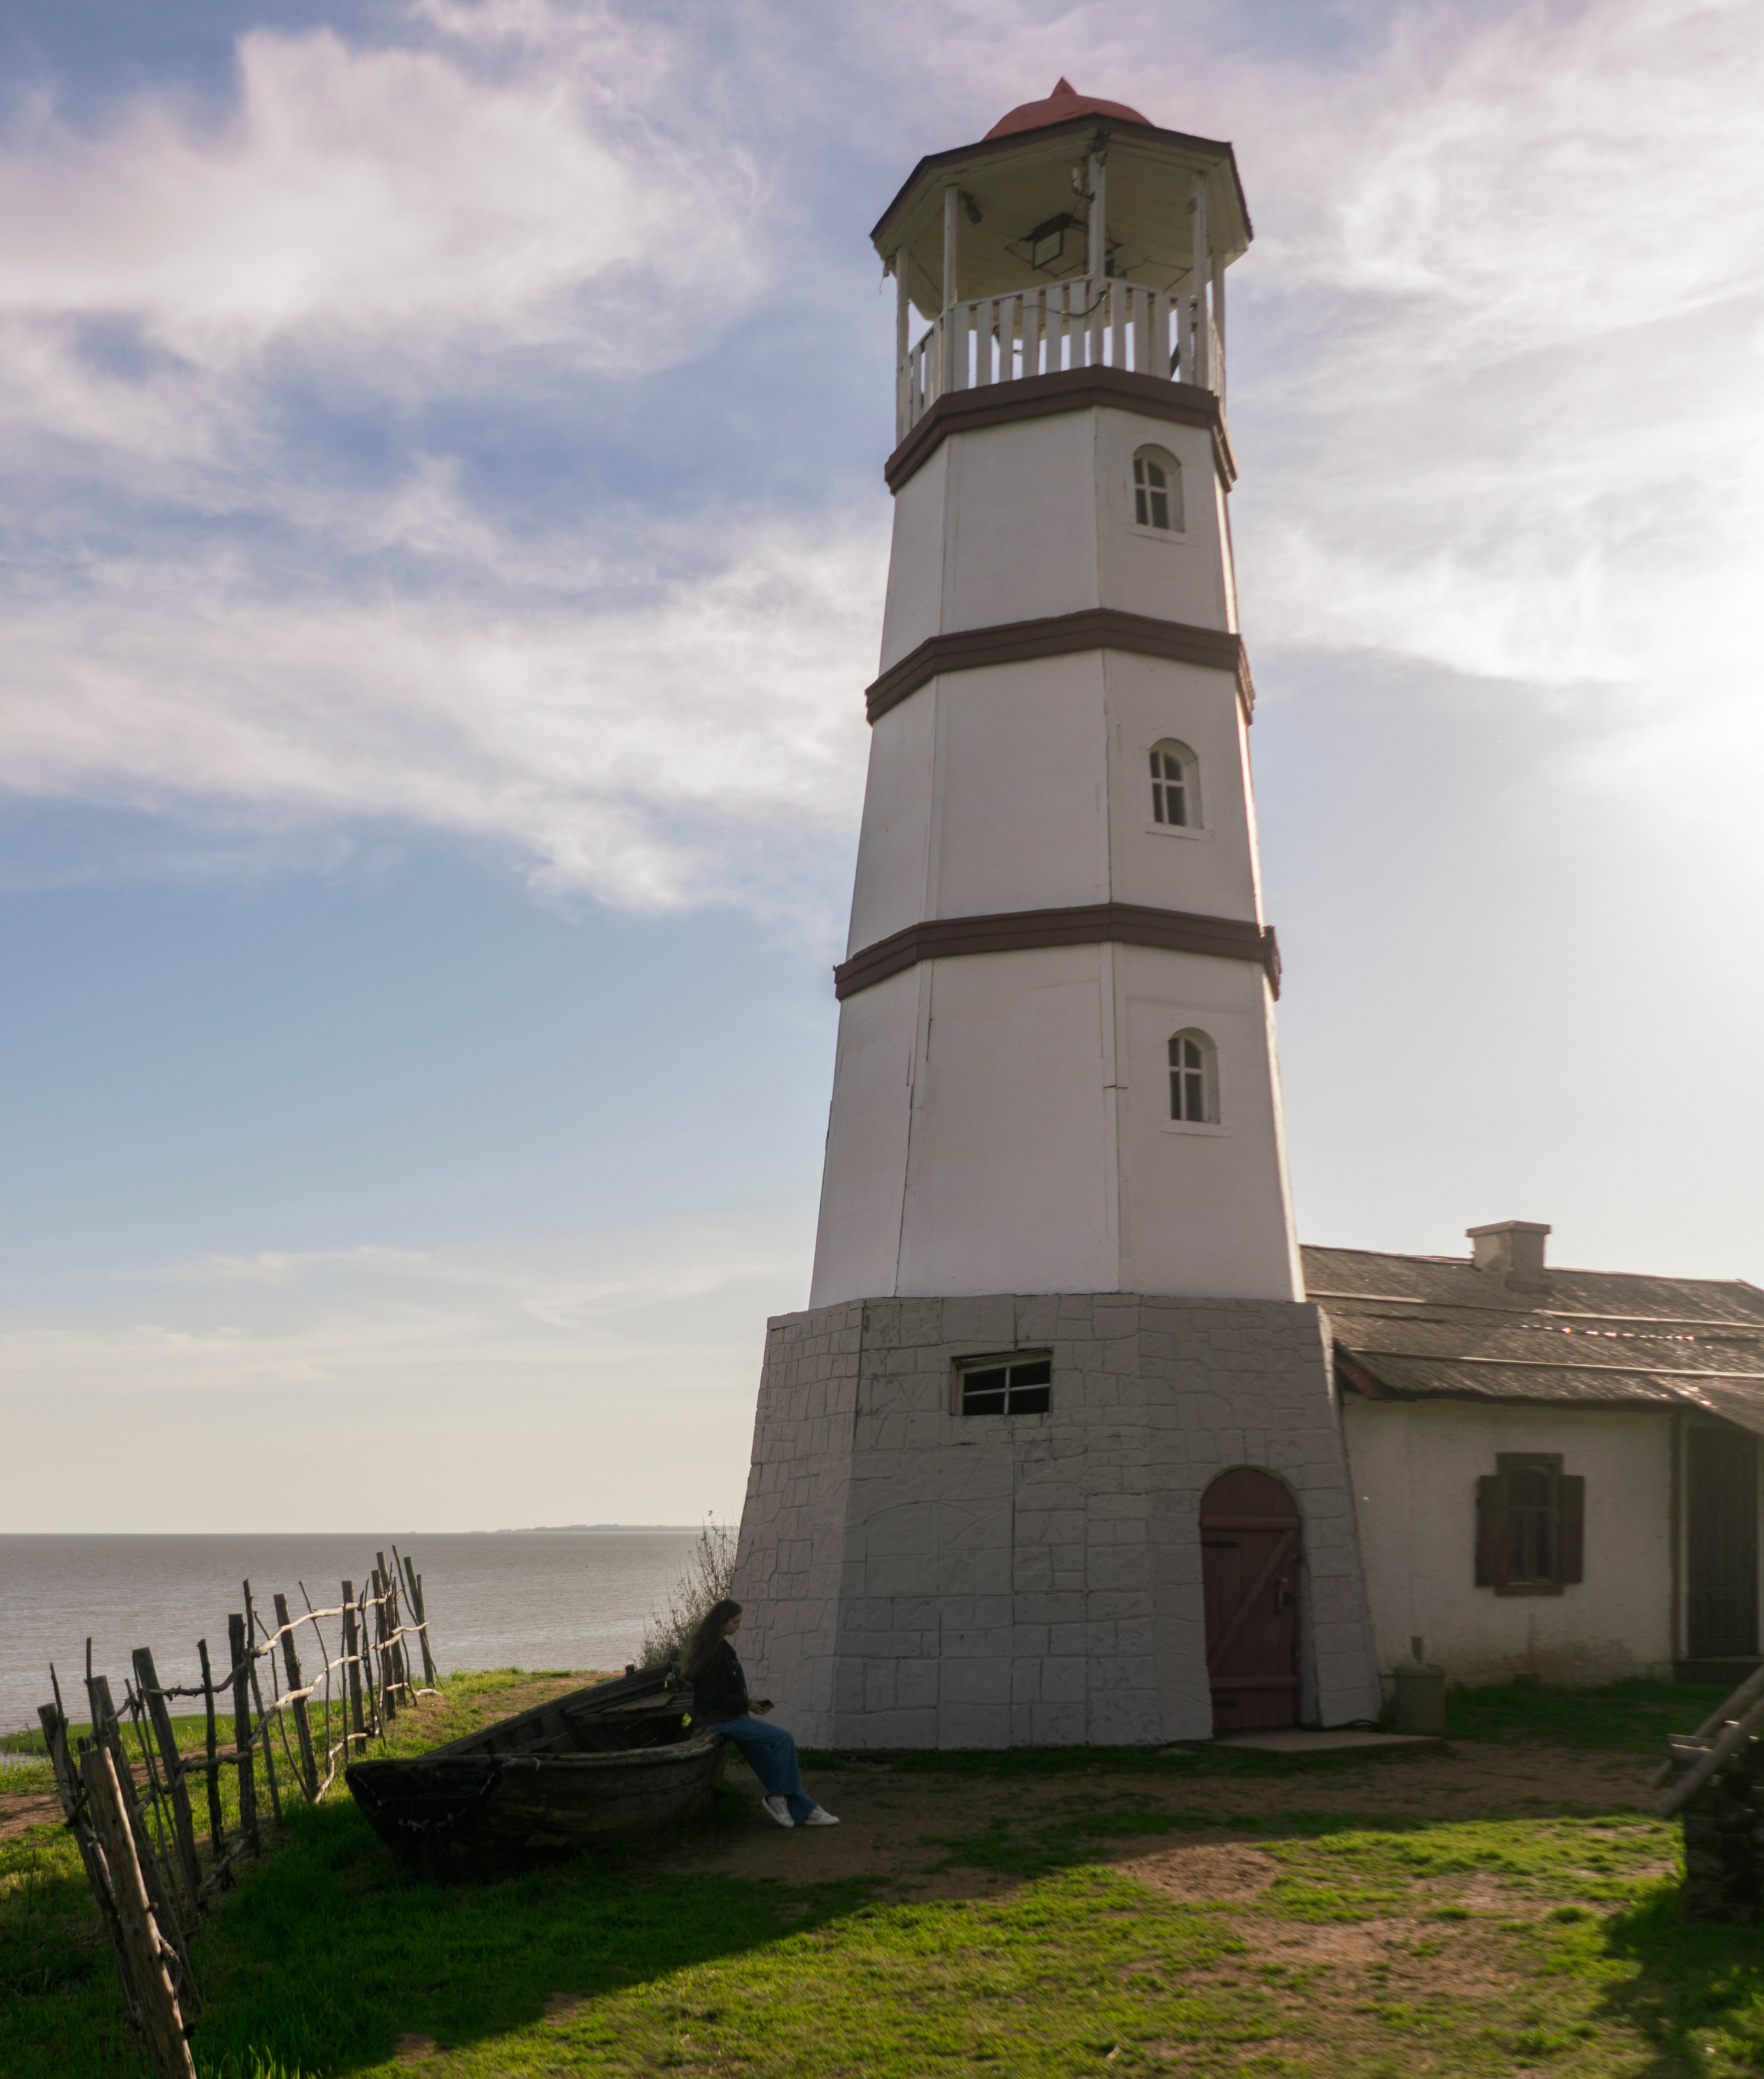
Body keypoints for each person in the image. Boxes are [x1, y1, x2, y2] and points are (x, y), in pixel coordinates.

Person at [680, 1599, 839, 1828]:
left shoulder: (717, 1647)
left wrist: (748, 1704)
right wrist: (747, 1704)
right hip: (722, 1721)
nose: (738, 1626)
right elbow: (714, 1698)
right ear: (721, 1622)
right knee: (783, 1739)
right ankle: (785, 1802)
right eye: (735, 1622)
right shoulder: (714, 1653)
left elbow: (723, 1694)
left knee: (766, 1755)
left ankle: (803, 1808)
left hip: (730, 1717)